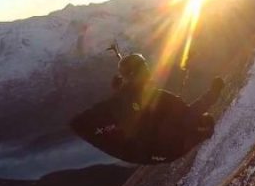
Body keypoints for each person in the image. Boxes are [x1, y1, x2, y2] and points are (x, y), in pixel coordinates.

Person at [69, 50, 224, 164]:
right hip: (153, 150)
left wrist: (123, 91)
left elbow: (189, 114)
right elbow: (189, 113)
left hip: (151, 149)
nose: (149, 71)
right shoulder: (180, 133)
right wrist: (214, 93)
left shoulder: (179, 133)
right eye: (144, 68)